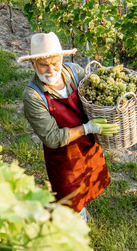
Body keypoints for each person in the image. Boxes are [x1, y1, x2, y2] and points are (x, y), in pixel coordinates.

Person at [19, 32, 118, 220]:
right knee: (69, 197)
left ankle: (81, 211)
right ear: (33, 65)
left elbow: (94, 95)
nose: (51, 70)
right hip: (64, 156)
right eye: (43, 65)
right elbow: (52, 138)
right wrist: (88, 128)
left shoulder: (75, 72)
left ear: (62, 58)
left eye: (55, 63)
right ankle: (74, 229)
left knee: (88, 184)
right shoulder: (33, 96)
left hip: (87, 147)